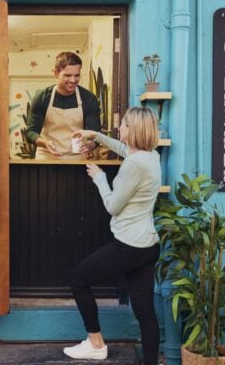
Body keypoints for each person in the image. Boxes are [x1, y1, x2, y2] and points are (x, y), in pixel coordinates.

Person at [64, 106, 161, 364]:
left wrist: (99, 178)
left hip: (128, 246)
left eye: (125, 125)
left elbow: (112, 206)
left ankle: (96, 344)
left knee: (78, 280)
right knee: (145, 312)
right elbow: (124, 149)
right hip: (148, 245)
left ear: (135, 130)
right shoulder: (151, 157)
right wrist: (95, 135)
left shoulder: (134, 165)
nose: (121, 128)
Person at [26, 51, 101, 159]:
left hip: (77, 158)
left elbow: (95, 133)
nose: (73, 80)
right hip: (47, 157)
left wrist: (90, 145)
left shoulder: (89, 99)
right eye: (67, 75)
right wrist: (45, 143)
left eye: (77, 75)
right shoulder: (42, 97)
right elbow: (31, 132)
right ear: (55, 73)